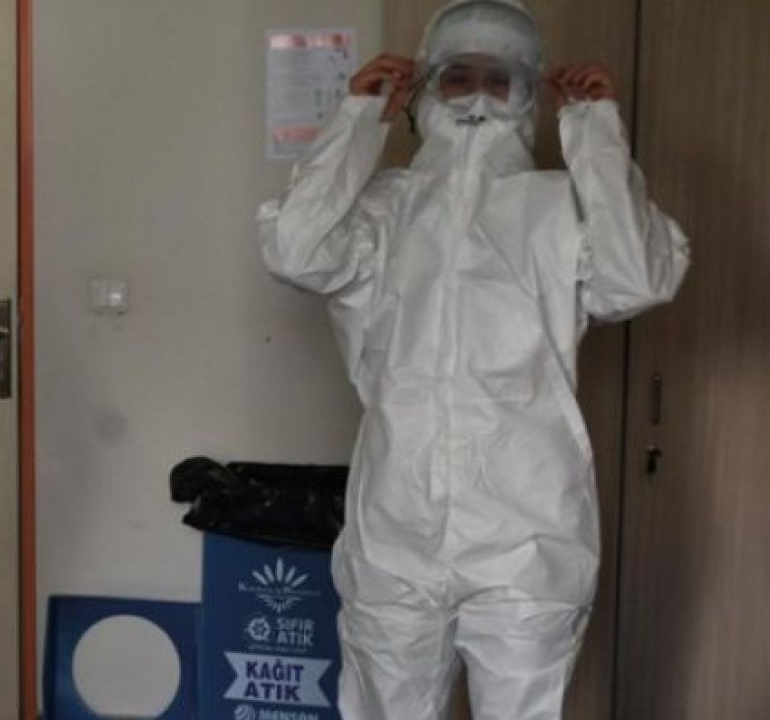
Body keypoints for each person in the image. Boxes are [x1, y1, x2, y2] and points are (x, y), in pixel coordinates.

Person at [258, 0, 689, 718]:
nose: (478, 98)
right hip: (397, 524)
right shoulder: (382, 210)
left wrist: (597, 135)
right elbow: (295, 251)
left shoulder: (560, 209)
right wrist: (358, 119)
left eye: (499, 78)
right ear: (427, 87)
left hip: (527, 528)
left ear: (527, 92)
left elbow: (637, 280)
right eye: (458, 77)